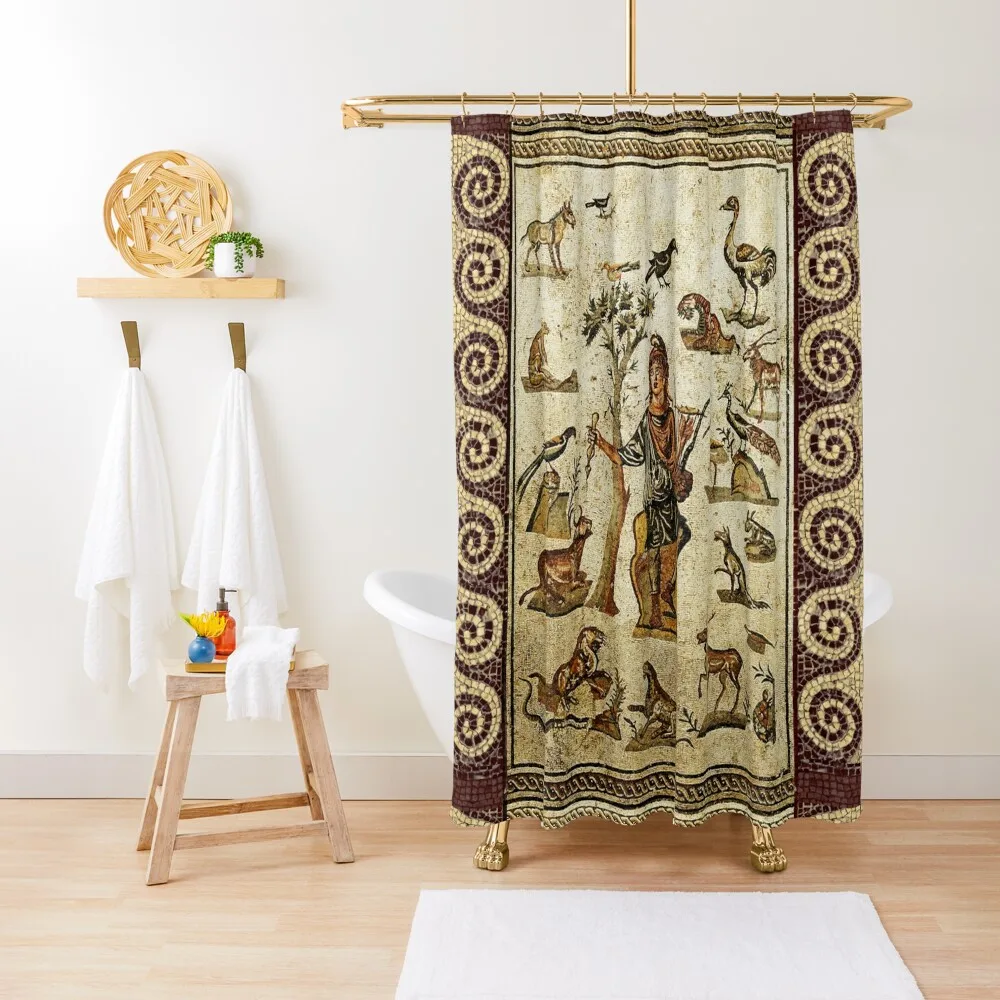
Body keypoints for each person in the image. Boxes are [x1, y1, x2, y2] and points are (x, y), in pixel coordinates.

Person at [588, 334, 694, 630]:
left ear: (666, 377)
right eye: (651, 374)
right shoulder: (648, 421)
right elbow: (625, 455)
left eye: (659, 373)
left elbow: (674, 461)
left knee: (675, 545)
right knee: (652, 554)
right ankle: (654, 611)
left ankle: (666, 599)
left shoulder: (672, 418)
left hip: (669, 499)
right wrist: (601, 443)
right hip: (653, 500)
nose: (654, 379)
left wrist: (683, 443)